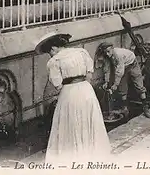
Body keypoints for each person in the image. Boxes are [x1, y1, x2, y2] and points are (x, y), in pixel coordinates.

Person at [35, 32, 110, 162]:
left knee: (71, 121)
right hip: (87, 90)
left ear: (54, 48)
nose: (51, 55)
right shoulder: (82, 52)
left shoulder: (54, 61)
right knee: (88, 119)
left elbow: (57, 85)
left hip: (69, 93)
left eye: (50, 52)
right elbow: (89, 75)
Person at [96, 42, 150, 119]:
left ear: (112, 48)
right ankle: (125, 108)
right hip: (124, 67)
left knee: (139, 86)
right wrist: (106, 81)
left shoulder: (118, 55)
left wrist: (115, 84)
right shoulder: (107, 57)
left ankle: (146, 108)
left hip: (132, 64)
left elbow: (119, 71)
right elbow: (107, 69)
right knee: (122, 88)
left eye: (108, 51)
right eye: (105, 52)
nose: (108, 54)